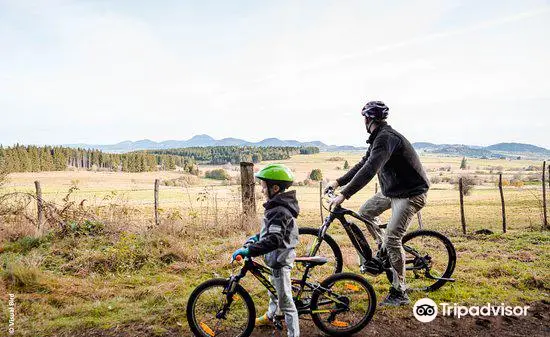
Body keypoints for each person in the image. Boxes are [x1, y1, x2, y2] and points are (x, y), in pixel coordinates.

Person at [327, 100, 429, 306]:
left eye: (364, 118)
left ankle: (400, 292)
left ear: (368, 119)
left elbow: (370, 169)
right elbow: (363, 164)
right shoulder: (378, 139)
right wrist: (338, 182)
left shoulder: (386, 138)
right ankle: (383, 250)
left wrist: (344, 194)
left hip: (411, 194)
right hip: (394, 190)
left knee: (393, 239)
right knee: (364, 213)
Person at [232, 163, 300, 337]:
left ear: (275, 188)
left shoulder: (279, 211)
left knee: (286, 304)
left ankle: (294, 334)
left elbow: (274, 240)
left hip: (280, 260)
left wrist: (250, 250)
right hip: (275, 258)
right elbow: (270, 232)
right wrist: (256, 238)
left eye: (263, 187)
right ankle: (271, 315)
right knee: (272, 290)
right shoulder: (275, 207)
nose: (262, 190)